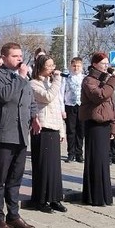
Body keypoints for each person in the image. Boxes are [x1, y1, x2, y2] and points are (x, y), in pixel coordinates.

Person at [0, 43, 35, 228]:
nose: (19, 59)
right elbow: (5, 96)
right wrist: (20, 77)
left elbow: (29, 99)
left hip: (22, 134)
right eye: (15, 56)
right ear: (4, 57)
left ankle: (13, 215)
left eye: (21, 55)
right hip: (3, 135)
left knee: (15, 179)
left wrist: (34, 116)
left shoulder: (23, 78)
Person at [80, 53, 115, 207]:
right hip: (94, 124)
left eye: (107, 63)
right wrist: (114, 80)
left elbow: (112, 105)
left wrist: (114, 127)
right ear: (95, 64)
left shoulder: (106, 81)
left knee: (104, 161)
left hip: (105, 124)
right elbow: (100, 96)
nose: (106, 65)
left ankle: (104, 195)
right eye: (103, 63)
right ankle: (94, 196)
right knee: (95, 160)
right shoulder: (89, 80)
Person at [28, 53, 66, 213]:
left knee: (54, 168)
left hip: (54, 127)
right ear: (41, 66)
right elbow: (48, 97)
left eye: (53, 65)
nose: (52, 69)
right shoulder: (33, 84)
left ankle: (55, 198)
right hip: (42, 128)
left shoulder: (51, 83)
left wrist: (61, 128)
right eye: (49, 66)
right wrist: (57, 80)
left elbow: (57, 107)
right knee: (43, 166)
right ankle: (41, 199)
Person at [63, 57, 85, 163]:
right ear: (70, 66)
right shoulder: (66, 78)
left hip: (81, 106)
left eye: (78, 66)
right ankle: (70, 153)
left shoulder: (84, 78)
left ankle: (79, 153)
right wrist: (62, 109)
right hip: (70, 106)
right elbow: (61, 93)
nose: (76, 68)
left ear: (82, 67)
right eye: (74, 65)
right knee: (71, 130)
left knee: (81, 131)